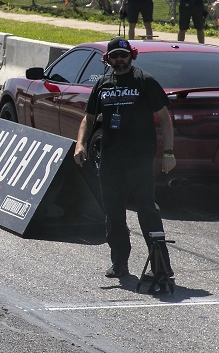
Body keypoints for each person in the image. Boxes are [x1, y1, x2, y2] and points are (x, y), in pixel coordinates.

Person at [74, 37, 175, 279]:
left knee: (147, 210)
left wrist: (168, 152)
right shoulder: (102, 84)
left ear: (132, 56)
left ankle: (160, 265)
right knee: (114, 212)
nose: (119, 59)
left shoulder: (145, 81)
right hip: (110, 159)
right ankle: (119, 263)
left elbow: (164, 117)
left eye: (123, 55)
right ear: (107, 59)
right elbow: (89, 118)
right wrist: (80, 144)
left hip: (139, 158)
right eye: (114, 56)